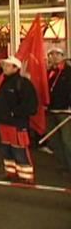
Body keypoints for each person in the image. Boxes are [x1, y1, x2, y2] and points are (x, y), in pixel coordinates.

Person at [0, 56, 38, 183]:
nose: (4, 68)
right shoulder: (2, 83)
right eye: (4, 65)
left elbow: (31, 105)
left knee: (19, 149)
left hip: (16, 124)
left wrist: (14, 113)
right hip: (3, 123)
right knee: (6, 150)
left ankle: (26, 176)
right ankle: (10, 172)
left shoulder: (23, 83)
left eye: (7, 65)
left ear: (16, 68)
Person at [45, 48, 71, 176]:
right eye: (51, 54)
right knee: (53, 140)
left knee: (67, 141)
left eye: (56, 54)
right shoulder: (50, 72)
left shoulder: (69, 72)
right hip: (51, 110)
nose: (54, 57)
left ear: (62, 56)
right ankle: (63, 165)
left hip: (65, 111)